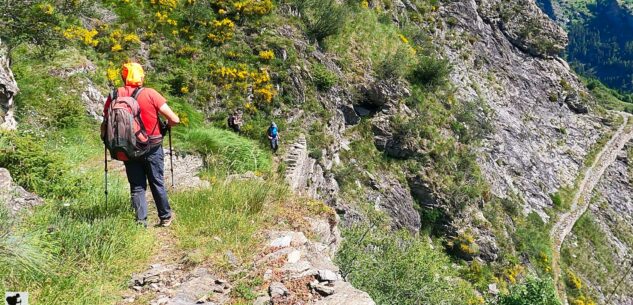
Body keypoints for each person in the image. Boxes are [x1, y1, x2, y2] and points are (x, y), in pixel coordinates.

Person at [103, 62, 180, 227]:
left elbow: (105, 121)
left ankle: (140, 222)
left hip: (128, 147)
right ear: (140, 77)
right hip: (152, 146)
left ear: (124, 77)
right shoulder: (150, 94)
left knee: (137, 186)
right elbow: (174, 119)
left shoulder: (114, 94)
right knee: (156, 181)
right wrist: (166, 125)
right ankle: (165, 217)